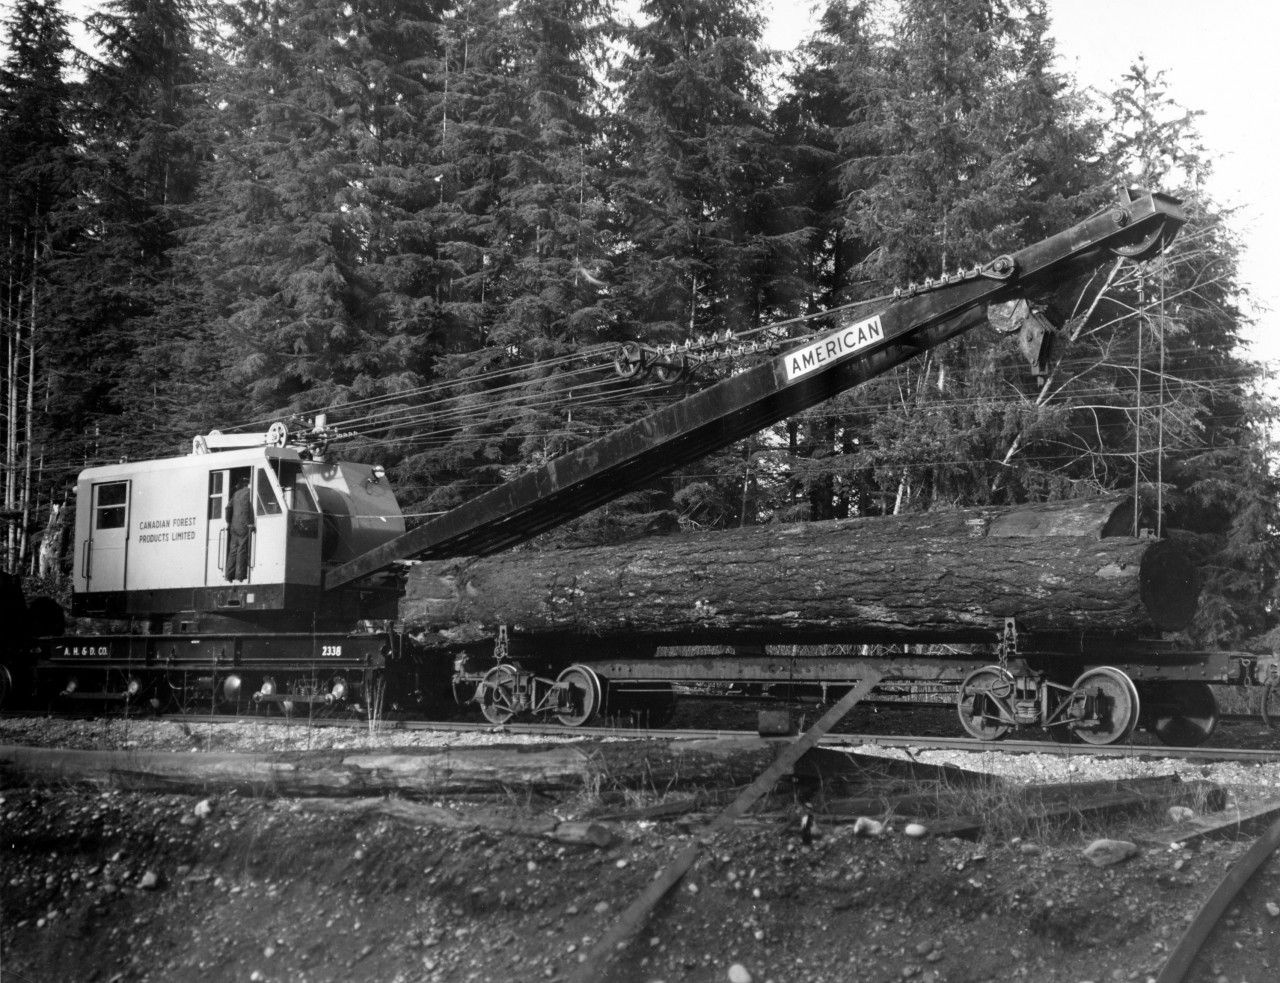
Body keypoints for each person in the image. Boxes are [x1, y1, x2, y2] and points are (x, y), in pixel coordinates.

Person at [225, 475, 254, 582]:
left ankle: (228, 575)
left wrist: (228, 522)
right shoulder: (249, 493)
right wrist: (248, 524)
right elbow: (246, 508)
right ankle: (240, 576)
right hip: (243, 526)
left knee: (233, 550)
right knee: (242, 549)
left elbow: (228, 508)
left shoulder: (236, 494)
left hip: (234, 526)